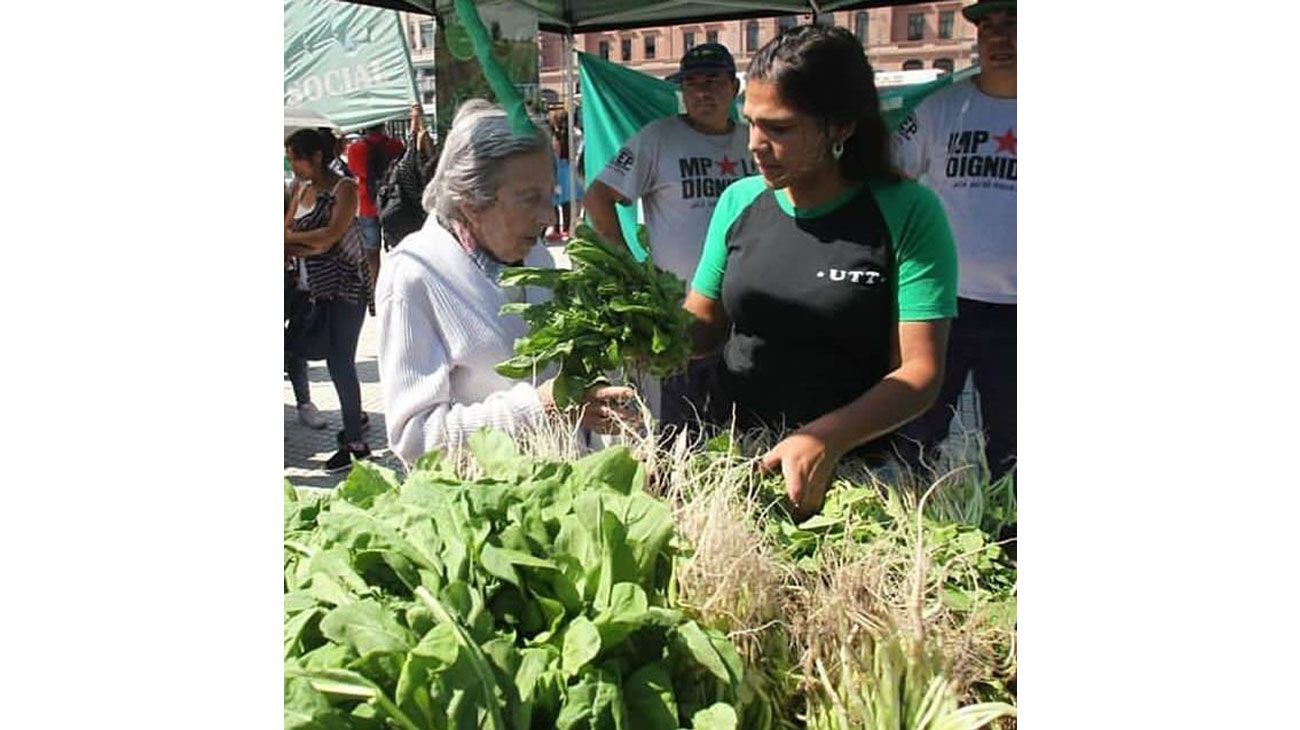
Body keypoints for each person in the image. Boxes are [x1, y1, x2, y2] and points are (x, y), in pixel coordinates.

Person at [684, 24, 958, 518]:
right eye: (750, 122)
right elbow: (701, 329)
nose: (755, 144)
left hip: (856, 479)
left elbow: (920, 371)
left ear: (840, 127)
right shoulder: (738, 201)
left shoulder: (909, 212)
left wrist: (825, 437)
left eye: (779, 128)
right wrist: (639, 329)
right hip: (737, 461)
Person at [376, 100, 635, 466]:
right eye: (530, 199)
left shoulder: (536, 257)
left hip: (559, 498)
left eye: (550, 196)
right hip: (486, 512)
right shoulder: (415, 276)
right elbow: (415, 440)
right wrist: (539, 408)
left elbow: (559, 381)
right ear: (470, 202)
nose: (547, 216)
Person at [584, 42, 755, 427]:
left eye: (712, 80)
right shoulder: (658, 138)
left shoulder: (752, 141)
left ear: (735, 86)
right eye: (691, 83)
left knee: (745, 421)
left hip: (749, 311)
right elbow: (599, 195)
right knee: (682, 424)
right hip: (683, 315)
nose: (701, 91)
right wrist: (627, 267)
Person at [893, 0, 1017, 482]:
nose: (1001, 39)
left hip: (1019, 313)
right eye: (990, 27)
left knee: (1013, 444)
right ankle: (910, 531)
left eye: (1014, 26)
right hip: (942, 304)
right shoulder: (941, 109)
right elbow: (889, 179)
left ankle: (1009, 546)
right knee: (917, 431)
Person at [284, 129, 374, 472]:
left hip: (345, 288)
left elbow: (329, 237)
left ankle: (356, 442)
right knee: (309, 352)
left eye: (296, 157)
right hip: (312, 291)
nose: (293, 165)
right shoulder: (299, 189)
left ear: (316, 156)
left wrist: (294, 240)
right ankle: (355, 416)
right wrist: (302, 242)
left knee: (340, 362)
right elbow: (294, 235)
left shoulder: (344, 188)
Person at [346, 123, 405, 295]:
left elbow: (354, 171)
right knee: (398, 248)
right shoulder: (396, 145)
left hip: (367, 204)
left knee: (371, 252)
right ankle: (399, 288)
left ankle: (373, 290)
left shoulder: (355, 149)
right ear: (383, 125)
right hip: (392, 202)